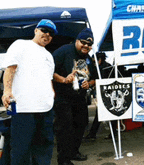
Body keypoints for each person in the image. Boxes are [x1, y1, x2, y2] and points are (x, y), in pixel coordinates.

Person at [1, 19, 57, 165]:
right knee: (21, 150)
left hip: (46, 110)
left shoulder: (49, 56)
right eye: (44, 30)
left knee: (44, 149)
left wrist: (51, 96)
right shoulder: (21, 44)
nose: (47, 35)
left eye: (51, 33)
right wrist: (7, 91)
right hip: (24, 109)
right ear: (36, 30)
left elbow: (49, 79)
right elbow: (10, 69)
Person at [52, 28, 97, 165]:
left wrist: (88, 84)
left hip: (79, 98)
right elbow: (48, 71)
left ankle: (73, 152)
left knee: (81, 124)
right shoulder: (64, 51)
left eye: (89, 45)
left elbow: (95, 78)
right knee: (65, 128)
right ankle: (63, 159)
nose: (86, 46)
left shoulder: (87, 58)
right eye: (83, 42)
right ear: (77, 41)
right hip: (62, 97)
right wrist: (64, 79)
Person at [85, 52, 117, 141]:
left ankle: (92, 134)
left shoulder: (102, 68)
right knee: (110, 113)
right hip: (111, 93)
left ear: (99, 60)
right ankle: (112, 134)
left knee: (100, 114)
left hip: (105, 93)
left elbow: (99, 80)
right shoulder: (108, 66)